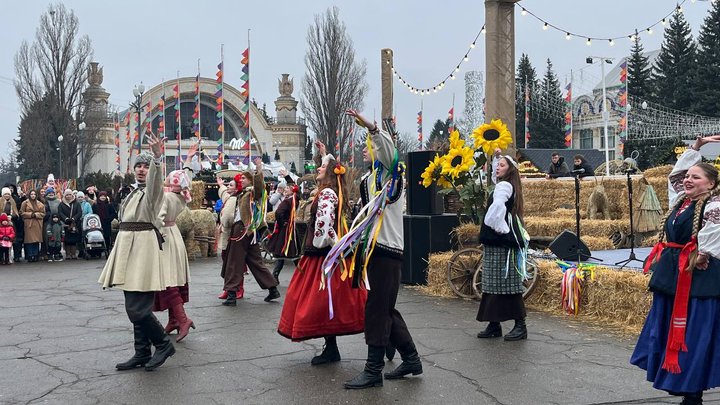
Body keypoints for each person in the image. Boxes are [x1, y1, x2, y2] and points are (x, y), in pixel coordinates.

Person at [630, 135, 720, 405]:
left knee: (693, 335)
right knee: (673, 331)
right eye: (689, 176)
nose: (689, 180)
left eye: (697, 178)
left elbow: (714, 235)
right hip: (674, 274)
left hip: (697, 278)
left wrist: (703, 253)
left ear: (712, 184)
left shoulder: (714, 206)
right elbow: (675, 176)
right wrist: (696, 148)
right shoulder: (682, 202)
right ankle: (685, 389)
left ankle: (693, 393)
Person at [338, 110, 421, 389]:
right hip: (372, 251)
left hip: (387, 250)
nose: (365, 148)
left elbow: (389, 151)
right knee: (385, 308)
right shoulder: (371, 180)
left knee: (376, 309)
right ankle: (410, 357)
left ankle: (373, 370)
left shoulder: (392, 175)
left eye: (369, 145)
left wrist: (373, 128)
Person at [277, 146, 366, 365]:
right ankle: (332, 348)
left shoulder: (327, 193)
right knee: (334, 302)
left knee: (323, 302)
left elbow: (324, 224)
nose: (318, 167)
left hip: (324, 257)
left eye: (322, 166)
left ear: (330, 172)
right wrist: (324, 153)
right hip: (327, 255)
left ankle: (387, 337)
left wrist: (322, 241)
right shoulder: (329, 190)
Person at [98, 132, 176, 372]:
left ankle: (162, 344)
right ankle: (142, 352)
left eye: (145, 167)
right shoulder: (132, 192)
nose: (142, 170)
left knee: (137, 307)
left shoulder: (152, 193)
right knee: (132, 302)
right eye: (139, 166)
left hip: (143, 249)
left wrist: (156, 158)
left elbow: (155, 182)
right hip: (129, 248)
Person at [476, 154, 529, 342]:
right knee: (492, 282)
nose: (498, 167)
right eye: (497, 165)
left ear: (510, 169)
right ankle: (494, 323)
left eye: (502, 165)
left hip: (502, 240)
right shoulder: (505, 185)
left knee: (507, 283)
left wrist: (499, 227)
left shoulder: (504, 186)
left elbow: (497, 207)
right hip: (499, 240)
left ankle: (520, 325)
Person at [220, 157, 280, 305]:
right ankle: (272, 289)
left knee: (234, 261)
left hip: (242, 229)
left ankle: (232, 294)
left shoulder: (253, 192)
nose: (242, 180)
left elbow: (260, 186)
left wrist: (259, 169)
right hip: (249, 232)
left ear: (251, 180)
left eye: (244, 178)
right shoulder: (243, 193)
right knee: (255, 261)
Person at [153, 145, 197, 343]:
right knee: (174, 277)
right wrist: (188, 159)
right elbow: (185, 176)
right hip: (175, 235)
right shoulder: (181, 196)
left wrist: (154, 234)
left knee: (168, 279)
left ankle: (182, 318)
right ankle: (174, 320)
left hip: (166, 239)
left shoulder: (167, 197)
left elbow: (158, 219)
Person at [216, 175, 241, 300]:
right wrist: (221, 185)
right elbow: (224, 194)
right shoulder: (231, 197)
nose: (228, 187)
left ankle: (234, 289)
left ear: (236, 189)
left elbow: (228, 217)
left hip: (230, 234)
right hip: (231, 235)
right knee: (230, 263)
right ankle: (230, 288)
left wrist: (223, 225)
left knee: (231, 264)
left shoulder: (234, 200)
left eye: (231, 185)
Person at [20, 190, 45, 262]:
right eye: (31, 194)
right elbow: (21, 212)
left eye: (34, 194)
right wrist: (30, 214)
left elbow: (43, 214)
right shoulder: (25, 203)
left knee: (36, 241)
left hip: (37, 223)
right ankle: (30, 255)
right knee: (29, 241)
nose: (33, 195)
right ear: (29, 195)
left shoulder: (40, 204)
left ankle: (35, 255)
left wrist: (36, 215)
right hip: (29, 224)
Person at [58, 189, 81, 259]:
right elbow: (60, 212)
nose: (68, 196)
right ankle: (67, 254)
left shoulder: (76, 203)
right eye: (67, 195)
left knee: (74, 240)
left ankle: (73, 254)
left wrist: (74, 218)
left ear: (72, 195)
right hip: (66, 224)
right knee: (67, 240)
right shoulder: (61, 204)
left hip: (74, 224)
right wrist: (66, 219)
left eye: (70, 194)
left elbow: (79, 212)